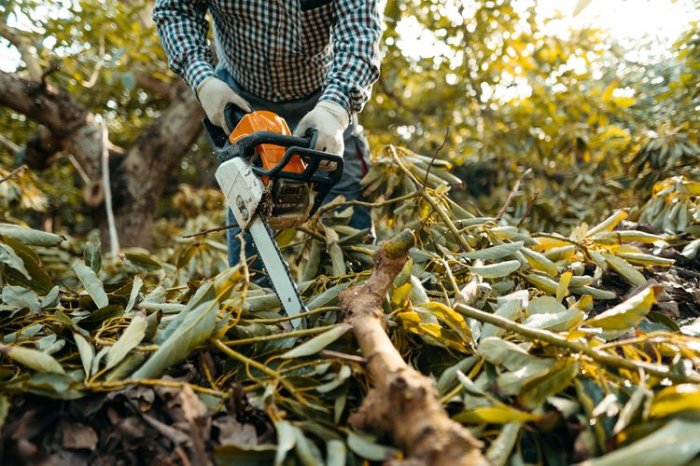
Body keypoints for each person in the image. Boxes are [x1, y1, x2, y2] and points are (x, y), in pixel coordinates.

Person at [153, 0, 382, 269]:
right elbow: (175, 10)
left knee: (348, 207)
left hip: (324, 99)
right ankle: (256, 300)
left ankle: (358, 297)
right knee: (249, 206)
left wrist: (335, 109)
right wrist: (203, 80)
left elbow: (361, 32)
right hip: (241, 99)